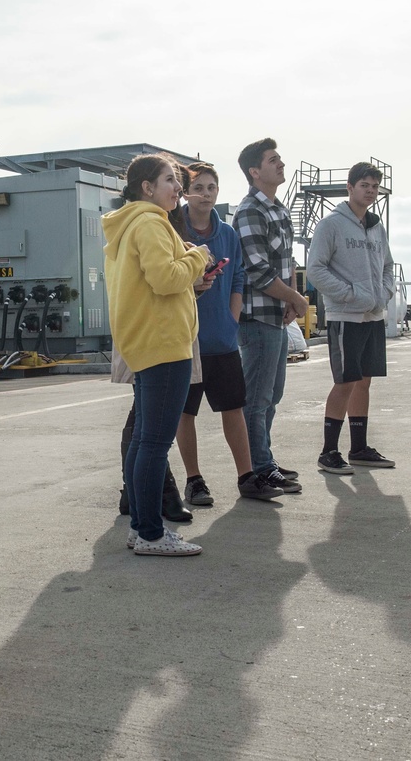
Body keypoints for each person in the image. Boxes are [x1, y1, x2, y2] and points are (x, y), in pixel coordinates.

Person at [103, 154, 210, 556]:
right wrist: (198, 256)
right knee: (153, 444)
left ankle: (140, 527)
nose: (178, 188)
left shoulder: (129, 224)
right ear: (146, 187)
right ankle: (150, 533)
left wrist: (192, 276)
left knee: (144, 441)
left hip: (145, 341)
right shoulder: (150, 222)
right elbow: (165, 279)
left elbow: (156, 281)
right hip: (164, 343)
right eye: (170, 180)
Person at [176, 162, 282, 503]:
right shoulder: (171, 228)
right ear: (185, 192)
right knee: (185, 412)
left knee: (233, 408)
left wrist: (231, 319)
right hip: (184, 339)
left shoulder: (228, 234)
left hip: (221, 338)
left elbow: (238, 278)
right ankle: (194, 480)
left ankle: (247, 475)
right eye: (200, 187)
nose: (206, 194)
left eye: (212, 188)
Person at [307, 162, 396, 473]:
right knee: (345, 382)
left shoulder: (377, 226)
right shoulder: (331, 224)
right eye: (364, 185)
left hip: (373, 316)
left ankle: (359, 448)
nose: (370, 191)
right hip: (345, 316)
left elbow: (388, 267)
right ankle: (328, 452)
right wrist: (351, 294)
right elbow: (316, 269)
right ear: (350, 187)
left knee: (364, 382)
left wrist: (383, 294)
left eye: (374, 186)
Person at [232, 138, 309, 494]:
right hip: (258, 317)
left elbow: (286, 261)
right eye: (273, 160)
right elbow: (258, 271)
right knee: (257, 399)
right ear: (254, 171)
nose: (281, 164)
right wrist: (294, 296)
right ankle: (258, 468)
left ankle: (265, 460)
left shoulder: (278, 209)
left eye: (280, 159)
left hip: (277, 316)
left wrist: (293, 301)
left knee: (272, 396)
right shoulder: (250, 211)